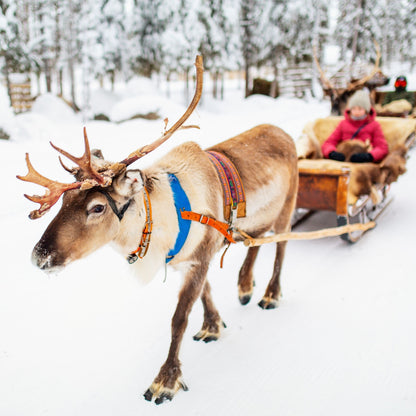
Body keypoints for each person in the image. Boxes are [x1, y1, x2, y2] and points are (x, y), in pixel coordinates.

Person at [321, 90, 389, 163]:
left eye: (360, 109)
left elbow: (382, 147)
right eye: (354, 109)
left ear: (366, 110)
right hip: (344, 159)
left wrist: (369, 156)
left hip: (365, 162)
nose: (356, 112)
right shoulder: (343, 124)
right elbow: (328, 143)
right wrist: (332, 153)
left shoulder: (374, 125)